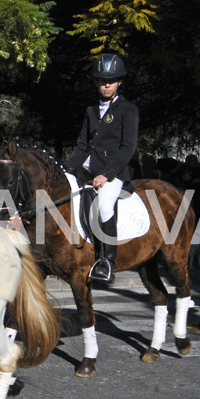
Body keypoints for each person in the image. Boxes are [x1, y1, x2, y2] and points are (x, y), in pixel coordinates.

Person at [66, 54, 139, 284]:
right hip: (89, 169)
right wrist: (68, 169)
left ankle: (107, 262)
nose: (107, 84)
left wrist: (106, 174)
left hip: (115, 172)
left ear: (119, 82)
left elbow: (128, 148)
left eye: (112, 80)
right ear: (96, 82)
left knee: (105, 205)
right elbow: (82, 145)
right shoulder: (90, 110)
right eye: (102, 80)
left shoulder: (128, 110)